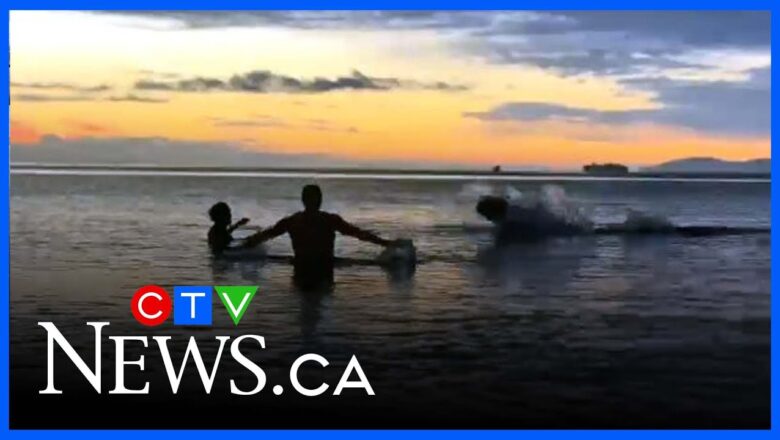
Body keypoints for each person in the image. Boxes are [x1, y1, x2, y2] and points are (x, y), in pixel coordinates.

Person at [245, 184, 393, 288]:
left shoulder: (293, 221)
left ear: (303, 200)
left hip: (302, 270)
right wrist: (385, 243)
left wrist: (247, 243)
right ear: (319, 200)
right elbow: (359, 234)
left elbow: (267, 234)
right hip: (323, 271)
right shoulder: (327, 220)